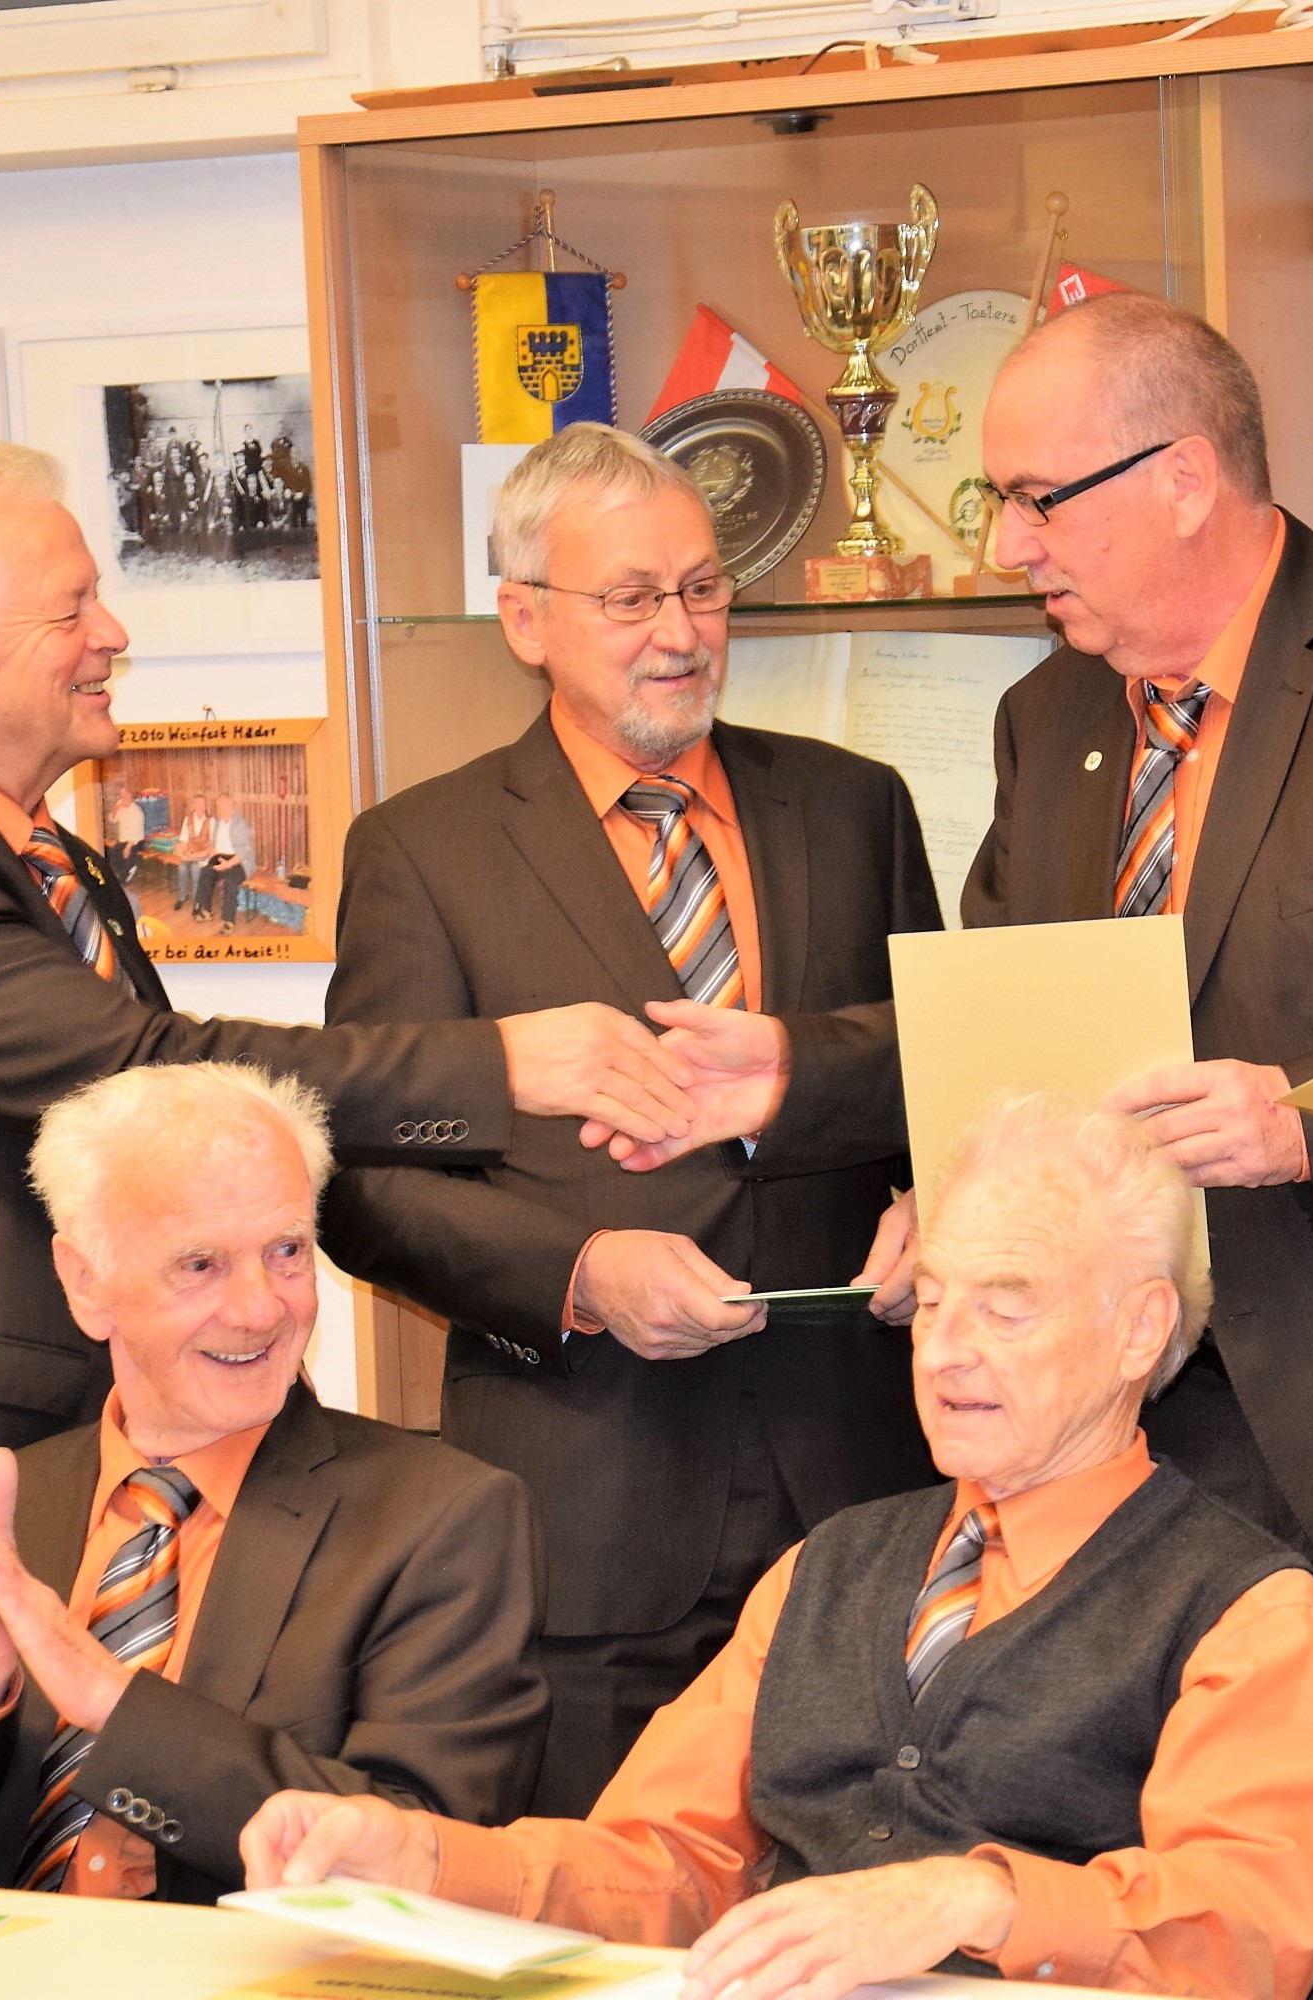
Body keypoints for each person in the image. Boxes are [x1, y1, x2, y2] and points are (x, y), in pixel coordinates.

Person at [658, 290, 1313, 1994]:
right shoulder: (1051, 719)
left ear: (1187, 475)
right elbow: (1009, 1020)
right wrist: (820, 1094)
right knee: (1202, 1917)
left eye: (1036, 498)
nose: (1009, 543)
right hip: (1160, 1441)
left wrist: (1308, 1114)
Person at [0, 438, 708, 1872]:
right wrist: (499, 1064)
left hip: (52, 1491)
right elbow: (144, 1081)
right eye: (70, 608)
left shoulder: (35, 851)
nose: (112, 633)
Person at [243, 1095, 1313, 2000]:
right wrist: (426, 1860)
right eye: (933, 1304)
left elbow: (1250, 1933)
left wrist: (977, 1899)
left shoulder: (1243, 1607)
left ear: (1139, 1328)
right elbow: (665, 1863)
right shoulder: (824, 1567)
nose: (946, 1352)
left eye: (1006, 1307)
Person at [318, 422, 942, 1816]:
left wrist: (938, 1201)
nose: (681, 632)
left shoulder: (855, 806)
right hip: (592, 1505)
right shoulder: (423, 851)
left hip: (862, 1479)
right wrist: (582, 1274)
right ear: (524, 619)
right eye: (632, 598)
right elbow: (362, 1184)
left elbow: (944, 1076)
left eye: (703, 588)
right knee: (595, 1901)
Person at [0, 1062, 546, 1900]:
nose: (260, 1309)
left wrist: (115, 1703)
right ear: (86, 1284)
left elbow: (427, 1861)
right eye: (201, 1264)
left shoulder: (441, 1521)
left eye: (286, 1252)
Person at [205, 793, 254, 931]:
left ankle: (229, 921)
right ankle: (204, 910)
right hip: (222, 858)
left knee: (230, 882)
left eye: (223, 807)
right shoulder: (218, 822)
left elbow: (244, 851)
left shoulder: (240, 823)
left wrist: (228, 864)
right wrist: (211, 852)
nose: (220, 810)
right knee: (206, 872)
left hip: (239, 862)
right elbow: (214, 843)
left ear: (231, 806)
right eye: (218, 807)